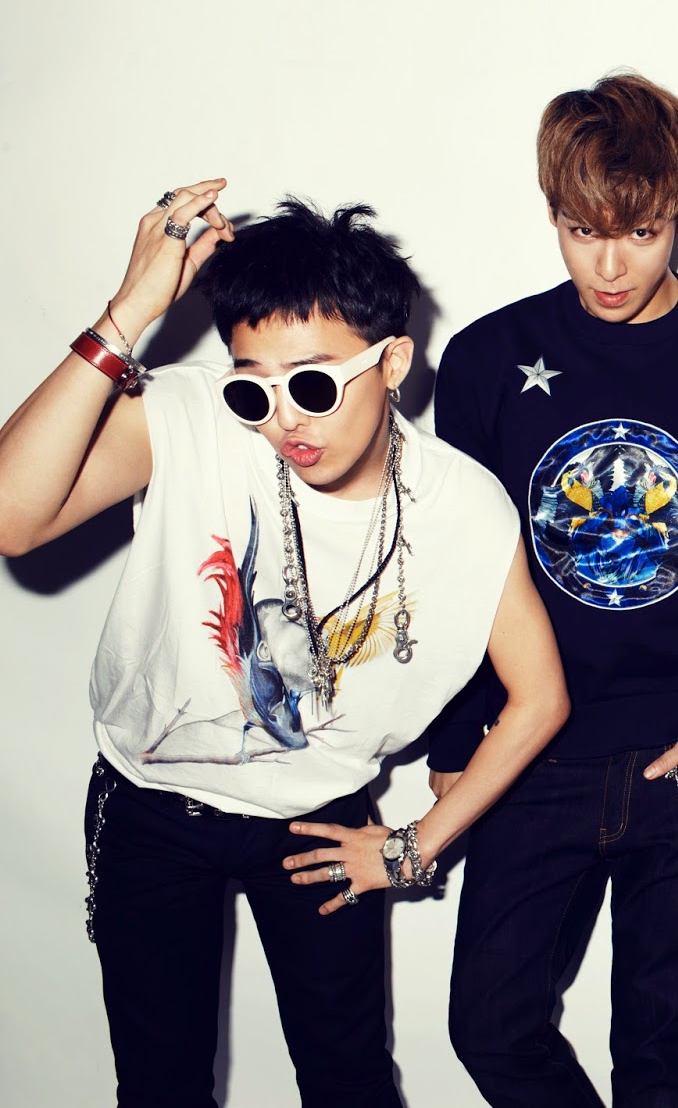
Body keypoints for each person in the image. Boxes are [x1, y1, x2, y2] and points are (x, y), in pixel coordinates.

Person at [0, 184, 569, 1107]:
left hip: (315, 821)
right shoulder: (195, 419)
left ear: (393, 361)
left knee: (349, 1082)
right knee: (159, 1086)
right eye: (252, 387)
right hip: (152, 806)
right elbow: (11, 518)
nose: (284, 420)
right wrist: (129, 311)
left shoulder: (462, 504)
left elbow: (539, 696)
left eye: (311, 384)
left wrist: (411, 848)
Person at [426, 73, 678, 1107]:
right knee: (490, 1026)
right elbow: (458, 564)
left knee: (664, 1063)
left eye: (639, 233)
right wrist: (455, 741)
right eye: (580, 230)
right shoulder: (488, 359)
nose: (608, 264)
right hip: (530, 752)